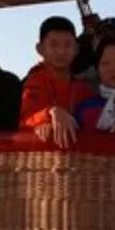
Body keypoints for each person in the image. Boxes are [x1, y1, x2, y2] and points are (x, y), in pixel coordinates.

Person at [20, 16, 96, 150]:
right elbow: (25, 119)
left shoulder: (84, 88)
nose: (61, 51)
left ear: (76, 49)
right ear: (40, 49)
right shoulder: (33, 82)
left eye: (67, 45)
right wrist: (50, 113)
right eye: (54, 45)